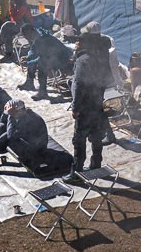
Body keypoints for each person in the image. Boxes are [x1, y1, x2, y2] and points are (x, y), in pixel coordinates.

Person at [70, 33, 108, 176]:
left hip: (85, 107)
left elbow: (79, 85)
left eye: (78, 40)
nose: (76, 43)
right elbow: (104, 80)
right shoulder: (98, 58)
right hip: (96, 104)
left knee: (79, 140)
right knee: (96, 136)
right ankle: (96, 165)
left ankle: (76, 173)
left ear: (84, 44)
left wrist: (76, 107)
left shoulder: (82, 61)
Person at [0, 99, 50, 172]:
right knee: (0, 127)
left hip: (36, 151)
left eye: (13, 114)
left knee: (5, 136)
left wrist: (11, 116)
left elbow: (10, 137)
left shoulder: (31, 120)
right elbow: (2, 122)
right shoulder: (22, 113)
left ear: (20, 111)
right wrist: (5, 112)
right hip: (26, 141)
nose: (12, 115)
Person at [19, 25, 71, 95]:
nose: (25, 36)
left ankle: (42, 91)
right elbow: (33, 52)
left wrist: (29, 62)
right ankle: (29, 83)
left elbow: (42, 57)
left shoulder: (42, 38)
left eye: (25, 34)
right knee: (33, 59)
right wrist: (28, 58)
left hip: (61, 58)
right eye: (23, 35)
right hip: (51, 56)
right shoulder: (35, 36)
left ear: (31, 31)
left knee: (42, 64)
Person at [0, 0, 33, 64]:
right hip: (19, 25)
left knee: (6, 26)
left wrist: (11, 8)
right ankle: (8, 54)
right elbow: (13, 19)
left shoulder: (23, 6)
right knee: (7, 32)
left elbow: (16, 18)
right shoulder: (16, 4)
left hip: (27, 28)